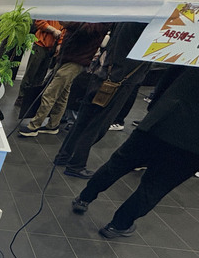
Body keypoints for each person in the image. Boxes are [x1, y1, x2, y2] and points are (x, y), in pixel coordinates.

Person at [71, 66, 199, 238]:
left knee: (119, 163)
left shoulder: (193, 51)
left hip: (162, 118)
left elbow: (169, 77)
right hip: (192, 145)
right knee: (155, 186)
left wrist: (155, 107)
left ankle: (84, 198)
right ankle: (118, 225)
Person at [54, 23, 150, 178]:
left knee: (84, 120)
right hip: (119, 79)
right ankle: (76, 164)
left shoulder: (128, 18)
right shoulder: (147, 23)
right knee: (97, 124)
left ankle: (64, 156)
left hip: (103, 72)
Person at [18, 21, 111, 138]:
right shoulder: (90, 20)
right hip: (68, 57)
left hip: (76, 61)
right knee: (63, 94)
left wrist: (68, 21)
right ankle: (53, 125)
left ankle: (34, 126)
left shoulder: (100, 23)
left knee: (50, 92)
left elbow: (83, 29)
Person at [15, 20, 63, 107]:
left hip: (51, 46)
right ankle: (21, 97)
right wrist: (53, 30)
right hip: (40, 44)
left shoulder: (63, 16)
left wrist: (59, 43)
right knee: (31, 72)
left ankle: (31, 98)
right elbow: (39, 22)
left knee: (41, 75)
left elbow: (64, 30)